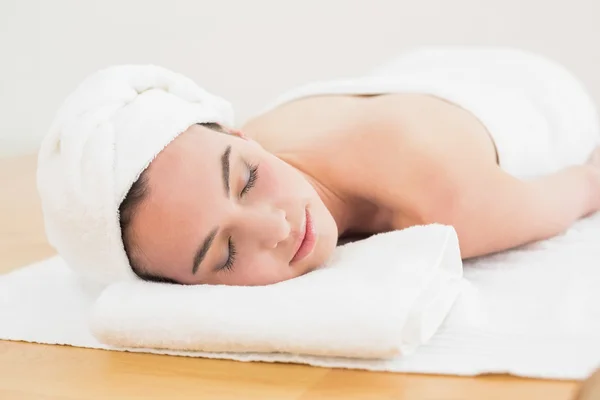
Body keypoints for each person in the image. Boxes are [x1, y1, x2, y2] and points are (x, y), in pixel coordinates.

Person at [63, 48, 600, 287]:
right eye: (224, 254)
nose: (276, 228)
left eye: (246, 178)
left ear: (240, 135)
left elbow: (584, 186)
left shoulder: (443, 199)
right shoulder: (229, 151)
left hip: (535, 86)